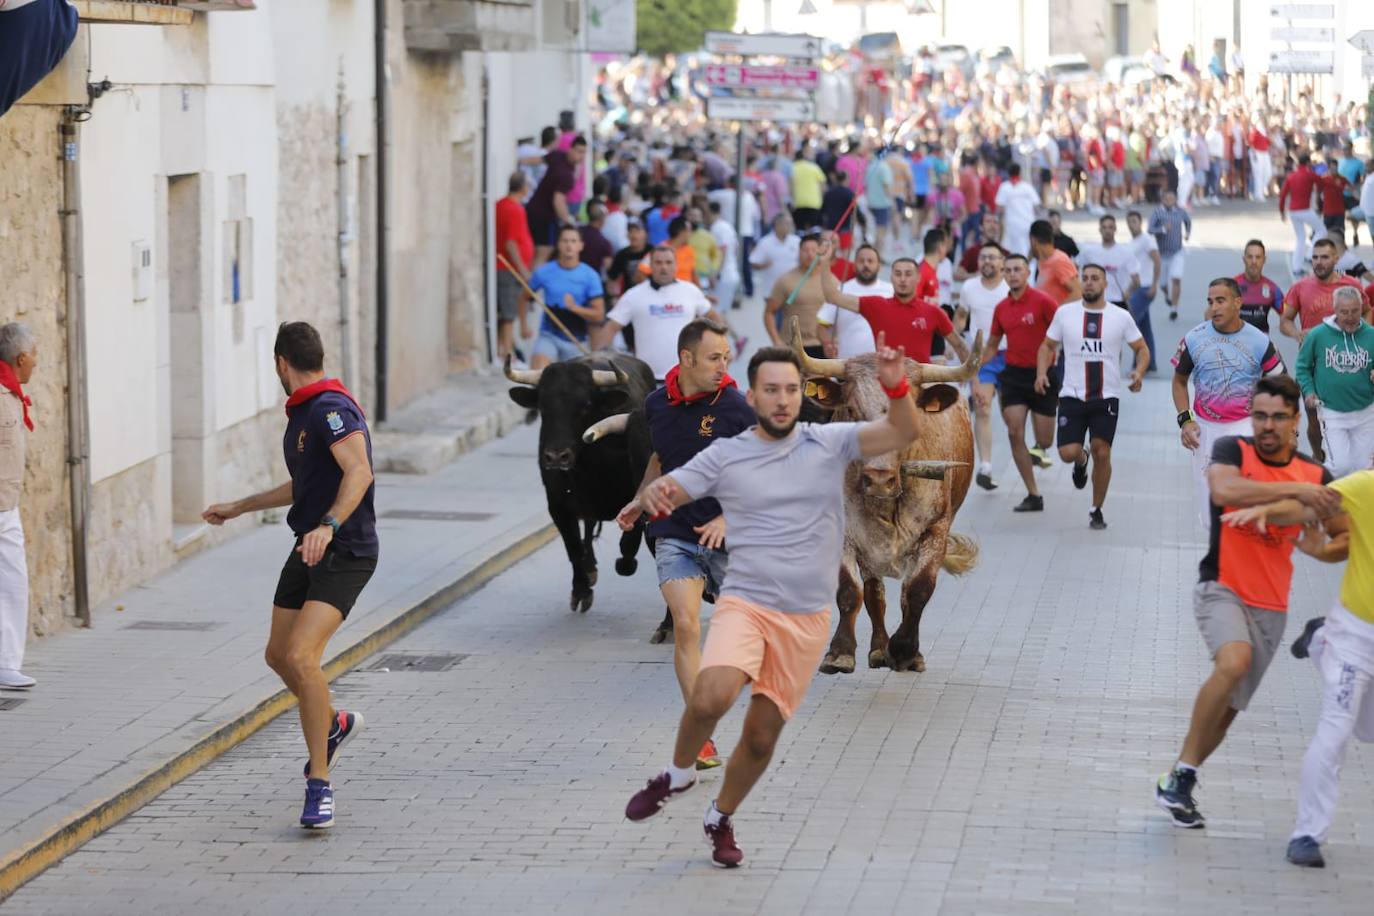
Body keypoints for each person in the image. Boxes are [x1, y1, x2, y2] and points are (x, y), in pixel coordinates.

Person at [623, 337, 965, 867]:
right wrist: (645, 501)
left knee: (760, 739)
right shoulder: (728, 450)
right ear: (752, 399)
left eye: (789, 390)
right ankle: (678, 772)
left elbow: (901, 431)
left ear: (799, 400)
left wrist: (897, 386)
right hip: (748, 600)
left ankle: (721, 816)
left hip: (804, 617)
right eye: (770, 390)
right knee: (712, 695)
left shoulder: (829, 442)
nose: (781, 400)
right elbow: (672, 484)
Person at [203, 322, 378, 829]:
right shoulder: (306, 409)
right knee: (278, 655)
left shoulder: (330, 409)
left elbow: (359, 472)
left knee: (303, 656)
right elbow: (305, 482)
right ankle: (335, 722)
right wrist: (241, 506)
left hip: (345, 551)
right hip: (309, 547)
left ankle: (319, 785)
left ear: (282, 363)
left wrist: (328, 525)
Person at [1153, 375, 1342, 830]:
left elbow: (1345, 534)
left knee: (1231, 707)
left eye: (1278, 417)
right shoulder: (1233, 453)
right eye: (1260, 416)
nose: (1267, 426)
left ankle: (1182, 777)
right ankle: (1181, 774)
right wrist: (1294, 494)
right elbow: (1224, 491)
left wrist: (1322, 550)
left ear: (1296, 420)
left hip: (1272, 606)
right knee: (1234, 663)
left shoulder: (1316, 475)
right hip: (1221, 586)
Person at [615, 320, 755, 771]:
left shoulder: (735, 408)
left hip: (728, 539)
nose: (723, 367)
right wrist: (639, 499)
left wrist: (727, 516)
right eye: (715, 358)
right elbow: (660, 458)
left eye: (727, 359)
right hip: (673, 532)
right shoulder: (656, 405)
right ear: (687, 359)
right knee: (688, 626)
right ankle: (702, 735)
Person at [1221, 469, 1372, 869]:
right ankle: (1307, 834)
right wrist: (1268, 510)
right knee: (1336, 728)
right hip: (1358, 636)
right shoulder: (1365, 487)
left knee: (1367, 729)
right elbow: (1307, 504)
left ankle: (1320, 638)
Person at [1036, 264, 1149, 529]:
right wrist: (1042, 372)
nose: (1088, 283)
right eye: (1084, 278)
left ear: (1105, 284)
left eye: (1094, 278)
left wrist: (1139, 371)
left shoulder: (1120, 317)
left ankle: (1096, 509)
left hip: (1106, 396)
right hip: (1072, 394)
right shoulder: (1065, 314)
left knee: (1103, 451)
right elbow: (1047, 346)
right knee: (1066, 452)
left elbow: (1141, 348)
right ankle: (1080, 460)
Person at [1172, 278, 1285, 530]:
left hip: (1245, 426)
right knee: (1209, 504)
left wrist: (1287, 429)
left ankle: (1239, 550)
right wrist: (1186, 420)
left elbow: (1282, 384)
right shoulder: (1193, 339)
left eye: (1220, 301)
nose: (1214, 307)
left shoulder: (1259, 341)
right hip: (1205, 428)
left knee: (1244, 496)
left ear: (1237, 302)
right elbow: (1179, 382)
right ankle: (1221, 553)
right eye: (1210, 301)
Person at [983, 253, 1060, 511]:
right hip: (1014, 374)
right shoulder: (1001, 308)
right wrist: (972, 371)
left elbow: (1060, 333)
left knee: (1046, 441)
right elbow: (993, 345)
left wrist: (1052, 363)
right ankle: (1033, 494)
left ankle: (1043, 449)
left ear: (1028, 273)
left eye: (1018, 269)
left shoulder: (1044, 302)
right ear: (1004, 275)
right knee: (1015, 431)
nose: (1013, 274)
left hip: (1044, 375)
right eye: (1008, 270)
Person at [1280, 238, 1368, 461]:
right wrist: (1297, 333)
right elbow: (1285, 321)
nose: (1318, 262)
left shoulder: (1352, 286)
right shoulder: (1300, 287)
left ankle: (1348, 459)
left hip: (1348, 360)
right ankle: (1319, 458)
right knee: (1314, 418)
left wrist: (1363, 335)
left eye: (1324, 257)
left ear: (1336, 259)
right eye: (1315, 257)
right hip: (1314, 363)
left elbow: (1367, 311)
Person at [819, 243, 970, 365]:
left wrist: (973, 379)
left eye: (908, 274)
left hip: (920, 390)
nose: (903, 279)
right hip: (884, 388)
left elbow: (959, 344)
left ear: (918, 278)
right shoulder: (875, 305)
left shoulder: (933, 312)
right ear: (891, 278)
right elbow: (833, 297)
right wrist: (825, 263)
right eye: (898, 274)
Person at [593, 246, 720, 381]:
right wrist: (594, 359)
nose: (663, 267)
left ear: (676, 265)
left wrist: (719, 348)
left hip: (686, 379)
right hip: (647, 379)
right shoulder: (633, 295)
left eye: (668, 262)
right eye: (658, 263)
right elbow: (611, 327)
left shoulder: (691, 291)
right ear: (650, 265)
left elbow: (713, 317)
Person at [1295, 287, 1374, 478]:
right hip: (1332, 411)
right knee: (1341, 466)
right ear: (1335, 310)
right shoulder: (1318, 335)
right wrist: (1309, 391)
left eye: (1354, 311)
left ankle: (1351, 505)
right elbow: (1302, 367)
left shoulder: (1371, 335)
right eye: (1344, 312)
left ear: (1361, 308)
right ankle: (1315, 489)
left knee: (1363, 468)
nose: (1349, 317)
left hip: (1366, 411)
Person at [0, 323, 37, 690]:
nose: (36, 363)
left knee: (13, 584)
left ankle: (6, 663)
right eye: (35, 355)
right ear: (21, 357)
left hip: (6, 507)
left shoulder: (12, 395)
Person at [955, 244, 1009, 490]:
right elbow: (960, 318)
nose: (987, 261)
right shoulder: (969, 287)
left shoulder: (1010, 287)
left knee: (1012, 418)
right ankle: (985, 466)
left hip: (1010, 356)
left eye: (992, 257)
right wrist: (954, 348)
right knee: (983, 408)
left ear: (1002, 262)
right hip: (982, 358)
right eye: (983, 257)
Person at [525, 225, 605, 368]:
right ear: (558, 244)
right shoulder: (544, 272)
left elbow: (599, 315)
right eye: (565, 241)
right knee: (538, 372)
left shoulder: (590, 276)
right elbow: (524, 296)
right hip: (549, 335)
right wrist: (523, 325)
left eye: (573, 241)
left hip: (577, 340)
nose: (569, 245)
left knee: (575, 387)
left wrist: (575, 308)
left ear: (581, 246)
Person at [816, 243, 890, 358]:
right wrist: (827, 344)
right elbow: (822, 325)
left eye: (870, 261)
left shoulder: (891, 291)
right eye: (861, 261)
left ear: (879, 266)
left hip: (882, 365)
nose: (866, 264)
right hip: (847, 364)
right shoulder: (841, 290)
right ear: (854, 266)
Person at [525, 134, 586, 268]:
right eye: (579, 151)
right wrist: (568, 221)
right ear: (571, 149)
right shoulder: (566, 175)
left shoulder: (558, 156)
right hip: (545, 216)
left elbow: (536, 160)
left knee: (536, 251)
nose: (581, 156)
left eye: (583, 153)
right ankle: (534, 285)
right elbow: (558, 201)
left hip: (533, 209)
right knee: (543, 252)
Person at [764, 232, 829, 355]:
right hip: (792, 346)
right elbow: (769, 312)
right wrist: (776, 341)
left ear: (820, 252)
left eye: (814, 250)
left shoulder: (830, 281)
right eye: (805, 250)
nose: (809, 254)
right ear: (798, 252)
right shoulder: (785, 280)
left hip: (821, 346)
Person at [494, 172, 535, 361]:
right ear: (523, 188)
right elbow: (511, 243)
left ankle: (504, 349)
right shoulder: (514, 209)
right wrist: (523, 270)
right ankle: (508, 354)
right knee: (509, 313)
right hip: (507, 268)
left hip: (504, 266)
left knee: (505, 312)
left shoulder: (500, 204)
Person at [1077, 214, 1140, 308]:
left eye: (1110, 227)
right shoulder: (1089, 251)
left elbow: (1137, 281)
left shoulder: (1125, 252)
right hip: (1095, 301)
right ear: (1100, 230)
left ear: (1115, 229)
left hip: (1118, 302)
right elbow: (1076, 268)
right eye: (1104, 227)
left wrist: (1128, 293)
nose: (1107, 231)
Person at [1149, 189, 1191, 321]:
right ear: (1162, 200)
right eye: (1166, 199)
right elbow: (1149, 229)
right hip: (1162, 254)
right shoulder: (1157, 212)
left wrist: (1187, 233)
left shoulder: (1180, 211)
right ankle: (1167, 295)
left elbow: (1188, 221)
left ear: (1175, 200)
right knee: (1162, 284)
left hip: (1177, 252)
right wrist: (1162, 229)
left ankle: (1174, 309)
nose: (1169, 201)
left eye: (1172, 199)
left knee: (1176, 278)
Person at [1126, 210, 1161, 370]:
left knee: (1132, 323)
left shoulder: (1147, 240)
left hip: (1145, 287)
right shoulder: (1131, 242)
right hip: (1135, 288)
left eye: (1134, 221)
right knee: (1144, 326)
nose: (1132, 224)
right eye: (1129, 221)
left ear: (1140, 222)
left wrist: (1155, 284)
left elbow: (1157, 261)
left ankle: (1140, 362)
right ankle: (1150, 362)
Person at [1279, 154, 1324, 277]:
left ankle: (1296, 267)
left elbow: (1282, 195)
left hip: (1293, 211)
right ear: (1308, 163)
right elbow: (1321, 184)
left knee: (1300, 238)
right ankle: (1309, 255)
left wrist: (1282, 212)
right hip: (1305, 210)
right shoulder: (1310, 175)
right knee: (1321, 230)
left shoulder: (1291, 176)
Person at [749, 214, 800, 311]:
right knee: (774, 322)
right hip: (771, 292)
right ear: (777, 225)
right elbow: (753, 261)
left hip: (792, 292)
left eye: (791, 224)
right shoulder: (765, 242)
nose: (790, 227)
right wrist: (763, 266)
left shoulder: (796, 241)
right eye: (787, 224)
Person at [1233, 239, 1284, 335]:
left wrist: (1296, 333)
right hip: (1235, 345)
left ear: (1264, 260)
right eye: (1250, 257)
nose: (1254, 261)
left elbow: (1286, 318)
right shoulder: (1231, 286)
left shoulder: (1273, 289)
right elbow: (1211, 315)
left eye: (1258, 257)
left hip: (1261, 347)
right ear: (1244, 259)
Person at [1030, 219, 1081, 306]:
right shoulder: (1043, 261)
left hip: (1059, 319)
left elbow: (1078, 293)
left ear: (1033, 240)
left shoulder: (1059, 261)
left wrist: (1056, 312)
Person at [994, 162, 1040, 257]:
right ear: (1020, 173)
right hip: (1027, 223)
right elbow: (1037, 206)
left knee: (1012, 251)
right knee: (1027, 249)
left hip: (1011, 225)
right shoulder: (1027, 187)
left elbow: (999, 208)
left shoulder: (1004, 187)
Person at [708, 202, 740, 311]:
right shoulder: (726, 226)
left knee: (717, 314)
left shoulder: (718, 228)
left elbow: (723, 251)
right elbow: (735, 248)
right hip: (730, 272)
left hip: (723, 276)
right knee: (720, 314)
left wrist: (715, 274)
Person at [954, 211, 1001, 281]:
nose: (992, 225)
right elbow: (957, 275)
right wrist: (976, 276)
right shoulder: (972, 252)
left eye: (995, 222)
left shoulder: (1004, 252)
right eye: (988, 222)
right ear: (980, 227)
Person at [865, 149, 895, 255]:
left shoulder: (871, 166)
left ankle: (875, 253)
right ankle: (877, 255)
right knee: (881, 230)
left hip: (871, 202)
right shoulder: (884, 167)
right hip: (882, 203)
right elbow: (886, 186)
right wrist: (892, 201)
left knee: (876, 229)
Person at [791, 150, 826, 231]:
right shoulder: (814, 167)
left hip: (797, 202)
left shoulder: (792, 168)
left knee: (800, 228)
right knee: (814, 227)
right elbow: (823, 184)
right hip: (814, 202)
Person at [579, 201, 615, 276]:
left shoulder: (577, 232)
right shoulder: (604, 243)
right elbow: (609, 268)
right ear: (603, 219)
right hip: (592, 280)